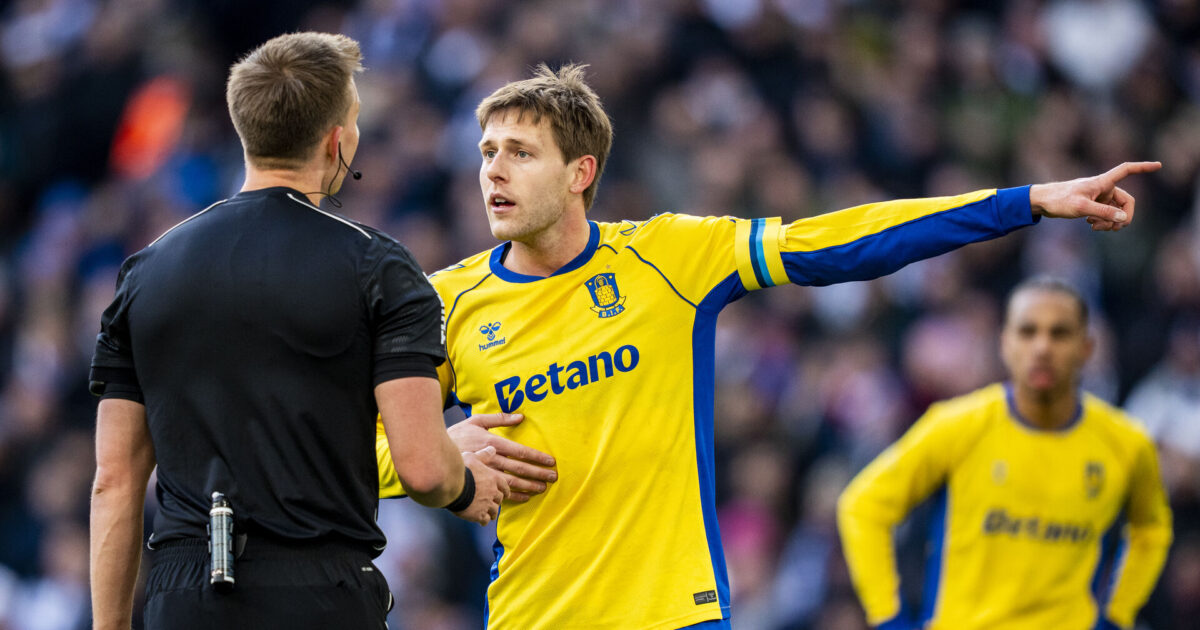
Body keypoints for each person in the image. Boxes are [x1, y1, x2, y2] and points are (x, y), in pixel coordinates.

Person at [374, 63, 1160, 629]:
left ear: (581, 172)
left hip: (673, 614)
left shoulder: (668, 256)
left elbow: (841, 241)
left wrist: (1023, 202)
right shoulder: (444, 302)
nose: (492, 172)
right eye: (485, 151)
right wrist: (436, 453)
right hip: (530, 616)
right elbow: (345, 439)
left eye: (519, 151)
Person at [87, 32, 509, 630]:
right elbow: (423, 468)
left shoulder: (145, 272)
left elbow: (115, 481)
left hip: (184, 596)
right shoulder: (377, 265)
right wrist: (467, 487)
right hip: (320, 591)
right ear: (337, 139)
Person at [837, 277, 1173, 630]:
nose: (1042, 348)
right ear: (1005, 345)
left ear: (1086, 348)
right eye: (1028, 332)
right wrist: (889, 618)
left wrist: (1118, 614)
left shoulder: (1126, 443)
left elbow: (1151, 530)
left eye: (1059, 334)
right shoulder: (958, 426)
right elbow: (863, 505)